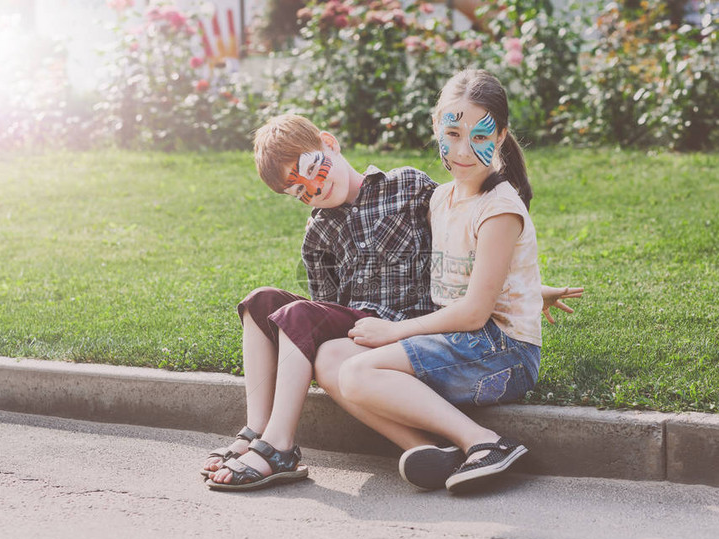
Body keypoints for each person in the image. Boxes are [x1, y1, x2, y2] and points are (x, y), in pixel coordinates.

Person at [203, 114, 582, 491]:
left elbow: (465, 241)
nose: (313, 189)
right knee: (259, 302)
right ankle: (255, 432)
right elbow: (324, 313)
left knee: (296, 315)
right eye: (298, 191)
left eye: (312, 169)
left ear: (329, 143)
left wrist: (530, 288)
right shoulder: (317, 233)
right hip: (362, 329)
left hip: (412, 325)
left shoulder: (408, 185)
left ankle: (279, 447)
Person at [337, 68, 556, 493]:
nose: (463, 150)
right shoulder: (441, 197)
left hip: (503, 352)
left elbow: (475, 313)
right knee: (336, 360)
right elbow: (471, 277)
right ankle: (437, 450)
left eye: (480, 135)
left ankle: (488, 443)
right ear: (436, 126)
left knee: (356, 376)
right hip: (464, 339)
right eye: (452, 132)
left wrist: (395, 332)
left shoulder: (499, 209)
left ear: (502, 136)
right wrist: (533, 291)